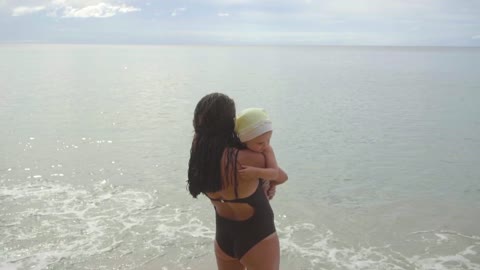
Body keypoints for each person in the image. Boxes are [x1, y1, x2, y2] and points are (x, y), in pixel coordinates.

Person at [187, 93, 288, 270]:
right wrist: (269, 182)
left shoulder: (199, 157)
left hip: (223, 238)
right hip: (257, 237)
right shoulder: (247, 158)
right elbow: (281, 176)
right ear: (230, 123)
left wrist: (265, 183)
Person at [235, 108, 287, 200]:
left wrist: (271, 184)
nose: (266, 145)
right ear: (245, 140)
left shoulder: (267, 150)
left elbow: (275, 173)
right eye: (260, 143)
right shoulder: (237, 149)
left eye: (269, 140)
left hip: (262, 194)